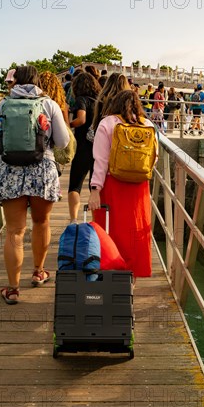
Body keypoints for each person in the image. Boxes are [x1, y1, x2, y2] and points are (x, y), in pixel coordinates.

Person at [0, 65, 70, 304]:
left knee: (14, 231)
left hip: (10, 170)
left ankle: (13, 288)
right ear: (37, 82)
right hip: (42, 170)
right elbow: (63, 142)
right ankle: (38, 271)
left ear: (17, 82)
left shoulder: (3, 105)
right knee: (41, 222)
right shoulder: (49, 104)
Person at [88, 90, 157, 279]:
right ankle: (131, 279)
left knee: (110, 232)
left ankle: (110, 272)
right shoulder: (147, 125)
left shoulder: (107, 123)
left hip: (113, 184)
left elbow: (100, 161)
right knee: (136, 234)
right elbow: (154, 159)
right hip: (139, 187)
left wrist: (95, 189)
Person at [68, 72, 101, 223]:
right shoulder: (100, 101)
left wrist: (68, 124)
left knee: (75, 185)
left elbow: (81, 119)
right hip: (98, 149)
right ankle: (94, 221)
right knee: (93, 187)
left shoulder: (81, 100)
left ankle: (74, 220)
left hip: (82, 147)